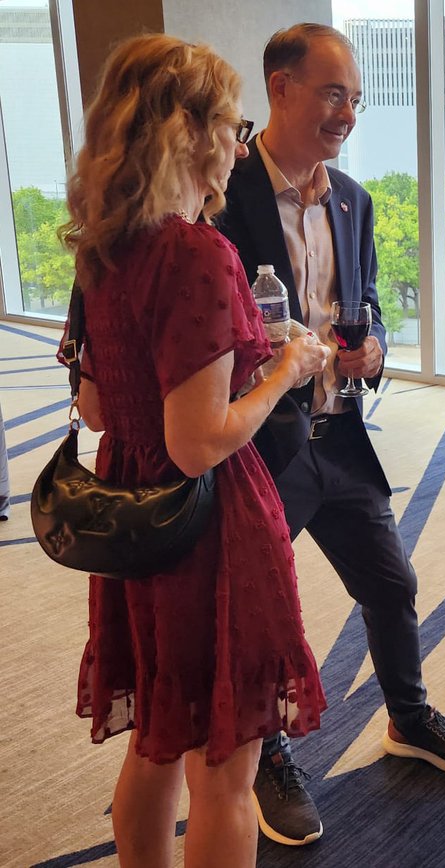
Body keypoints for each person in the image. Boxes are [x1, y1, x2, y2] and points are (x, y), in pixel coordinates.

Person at [58, 34, 330, 866]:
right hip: (210, 532)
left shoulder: (104, 249)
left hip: (133, 523)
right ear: (188, 130)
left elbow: (99, 407)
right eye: (233, 122)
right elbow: (200, 441)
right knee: (225, 775)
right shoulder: (197, 252)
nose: (241, 143)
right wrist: (286, 366)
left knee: (155, 744)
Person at [218, 23, 445, 848]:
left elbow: (361, 306)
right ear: (280, 89)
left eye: (356, 99)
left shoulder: (354, 199)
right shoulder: (221, 193)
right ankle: (265, 753)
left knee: (392, 582)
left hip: (338, 436)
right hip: (256, 445)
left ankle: (407, 718)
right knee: (259, 613)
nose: (347, 113)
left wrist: (371, 350)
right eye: (333, 93)